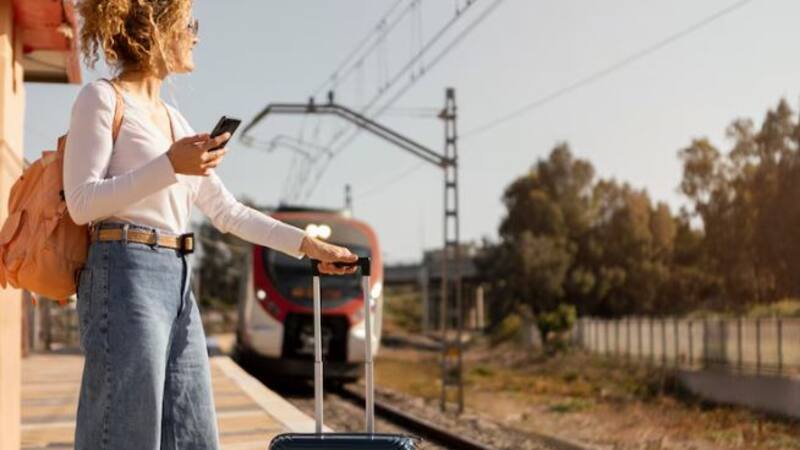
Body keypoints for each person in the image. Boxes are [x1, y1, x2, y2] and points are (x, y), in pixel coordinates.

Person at [64, 1, 356, 448]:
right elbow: (82, 204)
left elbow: (227, 212)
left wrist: (309, 246)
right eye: (188, 25)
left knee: (194, 434)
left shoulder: (173, 120)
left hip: (177, 277)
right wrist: (169, 165)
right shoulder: (102, 98)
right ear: (156, 30)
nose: (196, 35)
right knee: (127, 434)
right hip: (123, 272)